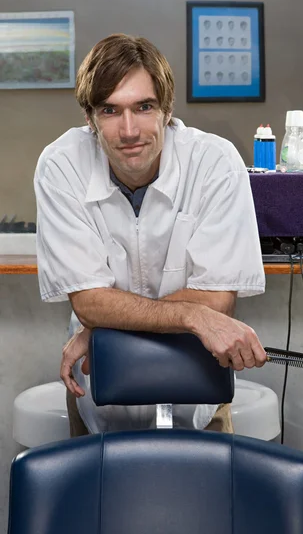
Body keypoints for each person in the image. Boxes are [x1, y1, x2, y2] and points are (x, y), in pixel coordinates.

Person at [34, 33, 267, 436]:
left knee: (210, 498)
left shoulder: (215, 163)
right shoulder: (61, 167)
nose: (129, 130)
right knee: (98, 499)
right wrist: (192, 314)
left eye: (144, 107)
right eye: (110, 110)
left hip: (200, 400)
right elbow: (89, 301)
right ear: (89, 119)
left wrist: (102, 325)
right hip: (98, 402)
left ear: (167, 109)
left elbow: (217, 299)